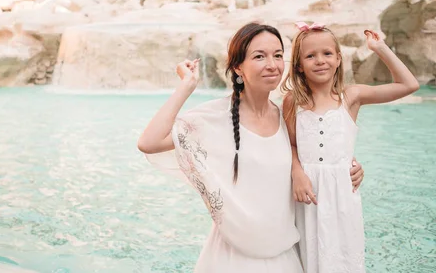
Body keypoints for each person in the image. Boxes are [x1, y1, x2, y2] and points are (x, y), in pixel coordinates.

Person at [138, 22, 365, 272]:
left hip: (284, 258)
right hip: (232, 259)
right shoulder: (216, 117)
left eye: (278, 55)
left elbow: (320, 156)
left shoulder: (286, 116)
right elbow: (149, 143)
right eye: (259, 56)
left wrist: (350, 167)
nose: (272, 64)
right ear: (238, 67)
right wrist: (187, 86)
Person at [282, 22, 419, 273]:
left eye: (327, 53)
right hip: (306, 195)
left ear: (338, 59)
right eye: (310, 56)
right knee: (308, 259)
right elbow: (289, 144)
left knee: (342, 259)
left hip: (342, 195)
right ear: (299, 65)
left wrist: (380, 48)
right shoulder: (293, 101)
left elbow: (409, 85)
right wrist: (297, 173)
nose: (320, 60)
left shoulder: (351, 96)